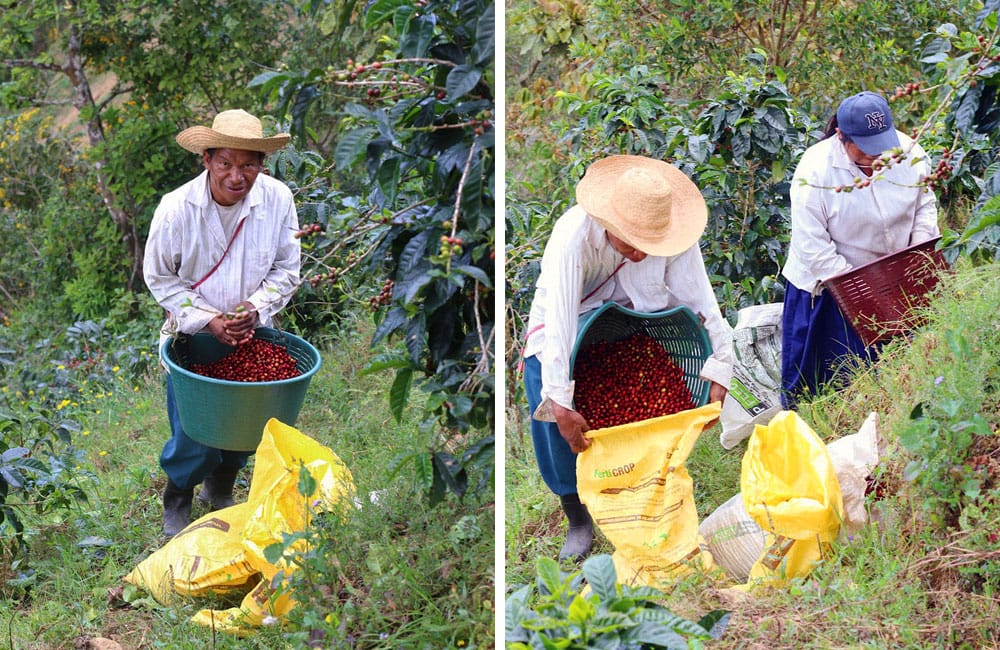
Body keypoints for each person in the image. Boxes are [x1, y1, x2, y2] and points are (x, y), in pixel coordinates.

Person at [521, 155, 734, 561]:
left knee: (639, 419)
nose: (639, 254)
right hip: (565, 321)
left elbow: (702, 301)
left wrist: (721, 366)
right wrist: (561, 403)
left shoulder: (672, 235)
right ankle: (577, 515)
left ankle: (639, 493)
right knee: (554, 419)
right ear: (609, 224)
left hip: (629, 323)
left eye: (647, 246)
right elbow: (560, 326)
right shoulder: (573, 238)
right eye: (630, 243)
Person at [143, 109, 301, 538]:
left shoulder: (277, 200)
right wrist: (208, 318)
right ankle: (177, 497)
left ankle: (220, 487)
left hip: (253, 332)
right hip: (193, 336)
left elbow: (287, 269)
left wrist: (254, 308)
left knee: (245, 424)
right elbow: (159, 277)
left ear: (262, 164)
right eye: (226, 163)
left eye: (248, 164)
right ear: (207, 159)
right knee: (194, 429)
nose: (237, 176)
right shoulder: (177, 208)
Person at [780, 91, 939, 408]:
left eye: (882, 147)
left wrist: (916, 256)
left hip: (895, 276)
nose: (876, 157)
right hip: (829, 287)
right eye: (866, 150)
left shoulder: (912, 154)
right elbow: (812, 244)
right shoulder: (815, 171)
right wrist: (859, 292)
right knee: (824, 382)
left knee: (898, 370)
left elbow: (925, 205)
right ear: (841, 136)